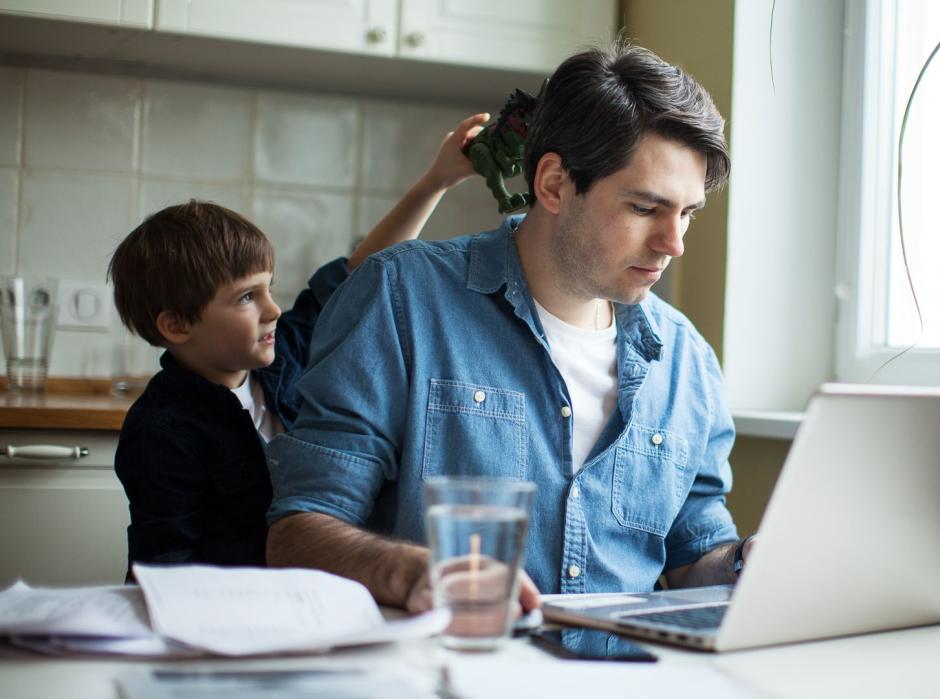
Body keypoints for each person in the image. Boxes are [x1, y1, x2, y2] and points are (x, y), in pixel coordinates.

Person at [265, 42, 753, 615]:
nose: (675, 244)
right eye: (645, 208)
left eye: (687, 212)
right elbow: (297, 533)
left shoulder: (687, 360)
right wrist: (408, 571)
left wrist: (748, 561)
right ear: (552, 184)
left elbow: (695, 558)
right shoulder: (402, 298)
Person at [109, 114, 489, 576]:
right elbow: (163, 566)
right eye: (247, 297)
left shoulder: (282, 351)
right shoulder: (160, 429)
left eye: (269, 288)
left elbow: (358, 274)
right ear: (176, 325)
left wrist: (437, 181)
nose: (272, 310)